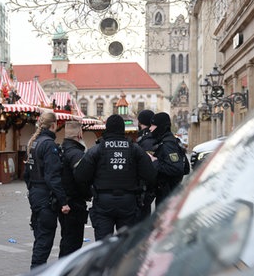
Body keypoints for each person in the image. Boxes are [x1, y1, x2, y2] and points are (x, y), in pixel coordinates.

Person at [74, 114, 156, 241]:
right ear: (122, 129)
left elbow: (80, 175)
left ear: (107, 128)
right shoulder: (135, 149)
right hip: (128, 202)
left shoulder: (97, 149)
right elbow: (150, 175)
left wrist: (90, 191)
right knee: (126, 245)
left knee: (103, 246)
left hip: (103, 202)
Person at [24, 110, 70, 270]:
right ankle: (36, 271)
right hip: (45, 197)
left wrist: (32, 191)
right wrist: (63, 202)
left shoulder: (33, 143)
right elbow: (53, 177)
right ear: (54, 125)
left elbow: (26, 174)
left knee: (40, 235)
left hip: (35, 194)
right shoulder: (49, 145)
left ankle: (36, 269)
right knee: (44, 239)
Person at [58, 121, 91, 257]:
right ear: (80, 134)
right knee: (73, 242)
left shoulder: (61, 150)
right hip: (74, 203)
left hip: (63, 202)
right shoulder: (76, 154)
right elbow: (83, 179)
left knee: (66, 239)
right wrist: (89, 194)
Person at [148, 112, 186, 206]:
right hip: (166, 192)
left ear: (160, 126)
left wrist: (154, 161)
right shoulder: (165, 141)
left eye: (153, 125)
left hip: (168, 194)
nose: (150, 128)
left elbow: (176, 168)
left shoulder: (168, 144)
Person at [135, 109, 157, 221]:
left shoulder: (145, 140)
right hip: (149, 188)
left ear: (140, 122)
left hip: (143, 189)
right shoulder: (154, 137)